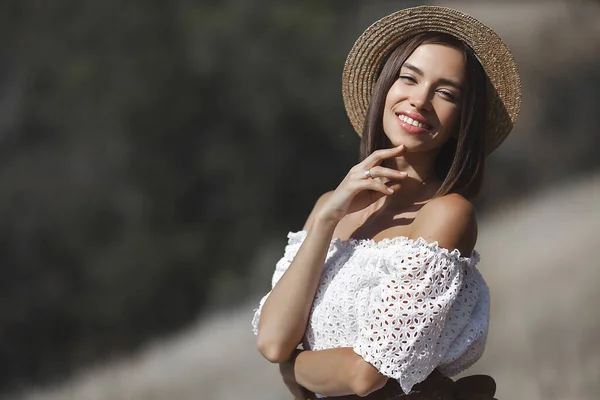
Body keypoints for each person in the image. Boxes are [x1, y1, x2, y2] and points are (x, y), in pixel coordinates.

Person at [252, 5, 521, 400]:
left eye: (445, 93)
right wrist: (327, 218)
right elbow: (273, 342)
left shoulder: (447, 214)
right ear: (385, 87)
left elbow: (366, 375)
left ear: (463, 119)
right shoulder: (329, 207)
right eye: (408, 78)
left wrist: (296, 368)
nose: (420, 100)